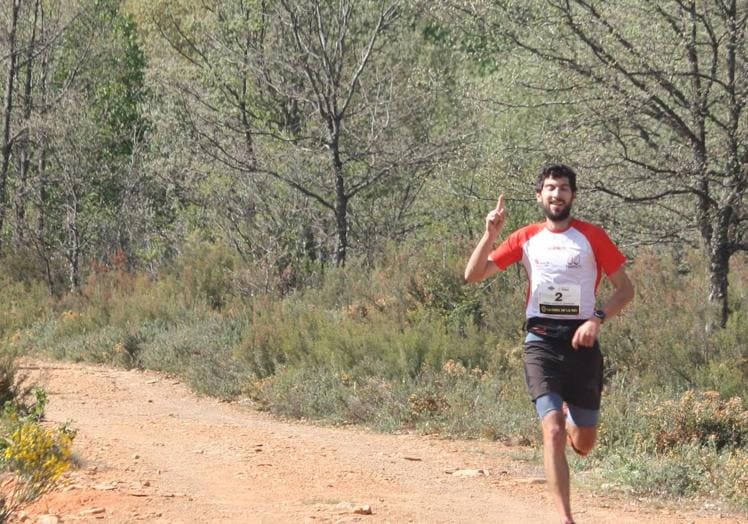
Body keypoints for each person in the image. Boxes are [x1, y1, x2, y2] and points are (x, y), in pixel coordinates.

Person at [463, 164, 634, 524]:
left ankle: (574, 416)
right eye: (551, 188)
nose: (557, 195)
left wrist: (596, 320)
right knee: (552, 429)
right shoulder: (525, 237)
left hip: (583, 345)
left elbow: (625, 288)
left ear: (573, 195)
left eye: (564, 189)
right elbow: (473, 275)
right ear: (539, 195)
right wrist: (490, 234)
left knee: (584, 444)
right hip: (540, 341)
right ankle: (565, 518)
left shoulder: (592, 237)